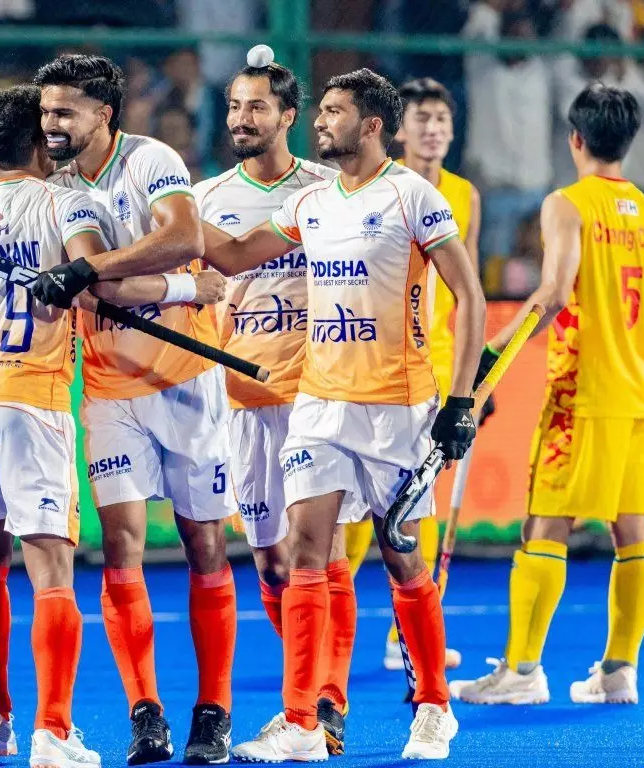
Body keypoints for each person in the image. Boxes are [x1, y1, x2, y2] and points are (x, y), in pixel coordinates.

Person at [0, 83, 227, 764]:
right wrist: (189, 287)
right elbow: (95, 284)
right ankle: (52, 732)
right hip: (29, 397)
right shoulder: (64, 202)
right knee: (51, 569)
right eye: (47, 122)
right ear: (37, 140)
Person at [199, 68, 486, 761]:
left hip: (396, 408)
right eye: (321, 110)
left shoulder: (412, 195)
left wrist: (460, 401)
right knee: (306, 553)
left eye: (333, 112)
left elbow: (471, 298)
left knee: (402, 558)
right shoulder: (313, 202)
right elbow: (233, 254)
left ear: (371, 125)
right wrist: (162, 212)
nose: (320, 122)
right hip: (319, 404)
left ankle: (434, 707)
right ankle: (303, 720)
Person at [450, 83, 644, 707]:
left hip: (583, 395)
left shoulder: (567, 205)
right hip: (642, 398)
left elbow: (552, 294)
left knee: (545, 526)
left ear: (575, 139)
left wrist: (490, 358)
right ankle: (619, 670)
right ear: (627, 141)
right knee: (634, 532)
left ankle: (522, 672)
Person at [192, 59, 358, 756]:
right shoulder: (202, 200)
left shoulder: (328, 191)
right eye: (235, 106)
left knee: (323, 553)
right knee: (271, 565)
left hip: (316, 400)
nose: (242, 119)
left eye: (257, 107)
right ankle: (306, 694)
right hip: (241, 404)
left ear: (289, 116)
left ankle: (324, 704)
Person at [342, 77, 486, 673]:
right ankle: (333, 633)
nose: (433, 130)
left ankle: (406, 638)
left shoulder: (465, 195)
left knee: (415, 507)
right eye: (423, 119)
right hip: (378, 364)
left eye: (442, 120)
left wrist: (468, 385)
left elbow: (466, 289)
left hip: (437, 367)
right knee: (357, 510)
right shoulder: (382, 188)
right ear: (400, 130)